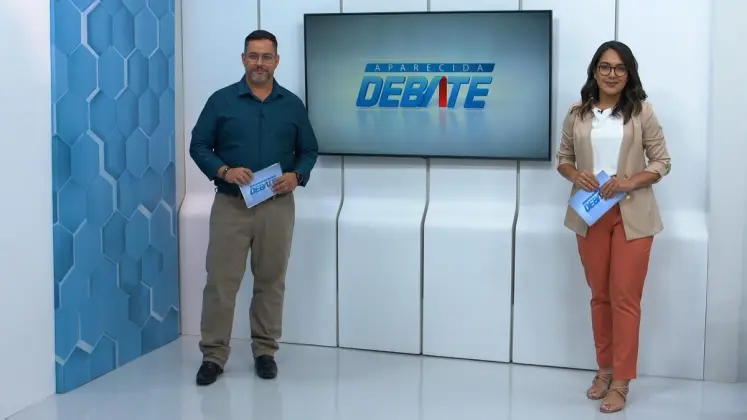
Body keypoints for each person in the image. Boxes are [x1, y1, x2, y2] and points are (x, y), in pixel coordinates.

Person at [189, 29, 319, 385]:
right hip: (231, 206)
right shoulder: (221, 101)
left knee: (271, 281)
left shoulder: (292, 105)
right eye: (253, 56)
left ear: (277, 61)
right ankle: (213, 356)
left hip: (277, 206)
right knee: (221, 283)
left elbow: (309, 150)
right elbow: (199, 145)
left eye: (266, 57)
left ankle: (265, 351)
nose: (259, 63)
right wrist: (224, 171)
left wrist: (297, 176)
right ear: (243, 59)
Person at [556, 40, 671, 413]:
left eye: (620, 68)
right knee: (600, 296)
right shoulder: (577, 113)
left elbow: (662, 162)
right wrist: (576, 175)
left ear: (629, 73)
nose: (611, 74)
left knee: (625, 298)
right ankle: (604, 370)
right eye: (605, 67)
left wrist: (627, 182)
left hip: (633, 216)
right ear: (594, 70)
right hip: (590, 214)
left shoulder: (642, 113)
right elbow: (563, 158)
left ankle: (621, 381)